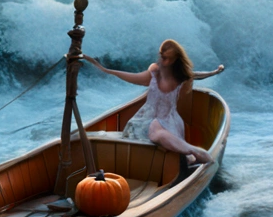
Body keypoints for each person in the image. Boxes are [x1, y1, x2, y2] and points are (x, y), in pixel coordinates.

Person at [85, 39, 225, 166]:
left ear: (175, 60)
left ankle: (193, 153)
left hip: (169, 120)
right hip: (146, 119)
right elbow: (133, 77)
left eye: (167, 59)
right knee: (154, 130)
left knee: (158, 131)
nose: (163, 61)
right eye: (162, 57)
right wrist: (106, 70)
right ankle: (192, 151)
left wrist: (214, 72)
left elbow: (195, 75)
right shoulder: (154, 72)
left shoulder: (180, 76)